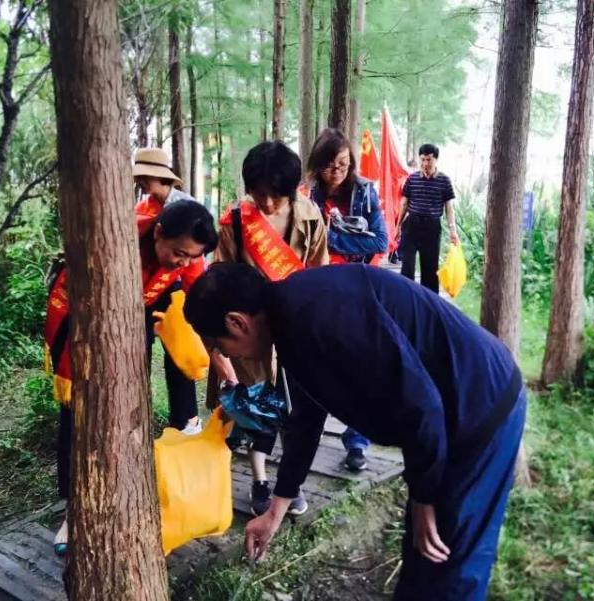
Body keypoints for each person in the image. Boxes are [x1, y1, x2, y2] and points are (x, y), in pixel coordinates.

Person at [185, 263, 526, 601]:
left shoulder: (318, 315)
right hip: (444, 417)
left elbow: (422, 406)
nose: (223, 355)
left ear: (237, 322)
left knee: (449, 561)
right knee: (422, 553)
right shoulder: (291, 320)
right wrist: (275, 512)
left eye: (218, 345)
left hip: (480, 405)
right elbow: (306, 420)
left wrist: (424, 499)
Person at [45, 148, 219, 555]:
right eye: (178, 253)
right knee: (78, 416)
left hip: (137, 322)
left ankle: (128, 490)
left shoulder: (186, 255)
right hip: (87, 326)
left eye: (190, 257)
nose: (182, 262)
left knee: (129, 406)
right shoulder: (117, 241)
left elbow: (198, 303)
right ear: (158, 233)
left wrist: (221, 358)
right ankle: (72, 511)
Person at [209, 140, 328, 517]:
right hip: (251, 334)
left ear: (291, 190)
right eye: (258, 194)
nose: (267, 203)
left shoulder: (310, 216)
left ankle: (290, 484)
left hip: (296, 327)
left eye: (276, 195)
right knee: (259, 404)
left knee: (297, 409)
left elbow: (319, 272)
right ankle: (260, 479)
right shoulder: (235, 221)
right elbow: (220, 277)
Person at [306, 128, 387, 471]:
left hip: (358, 288)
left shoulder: (365, 193)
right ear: (317, 166)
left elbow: (380, 241)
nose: (337, 170)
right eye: (329, 165)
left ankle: (357, 441)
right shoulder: (308, 198)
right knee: (320, 363)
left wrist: (332, 239)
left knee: (361, 365)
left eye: (343, 163)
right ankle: (306, 438)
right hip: (321, 291)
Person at [396, 144, 459, 293]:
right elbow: (404, 204)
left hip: (432, 228)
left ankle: (429, 301)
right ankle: (406, 298)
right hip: (411, 226)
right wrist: (398, 227)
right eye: (422, 159)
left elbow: (449, 208)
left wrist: (453, 231)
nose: (425, 163)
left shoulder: (444, 181)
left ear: (436, 160)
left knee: (430, 268)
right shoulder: (412, 179)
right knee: (407, 266)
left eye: (429, 160)